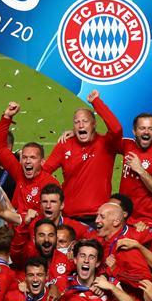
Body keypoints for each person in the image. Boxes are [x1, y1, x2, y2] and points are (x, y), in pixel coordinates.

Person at [43, 91, 123, 223]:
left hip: (99, 218)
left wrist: (96, 102)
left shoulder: (106, 144)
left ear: (94, 124)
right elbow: (44, 172)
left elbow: (116, 129)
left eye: (85, 121)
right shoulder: (65, 144)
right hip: (69, 217)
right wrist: (57, 192)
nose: (81, 125)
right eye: (77, 122)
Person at [0, 102, 61, 217]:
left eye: (33, 157)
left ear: (42, 162)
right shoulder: (19, 172)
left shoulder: (50, 184)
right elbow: (0, 148)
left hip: (36, 228)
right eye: (24, 157)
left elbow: (53, 215)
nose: (27, 161)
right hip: (15, 227)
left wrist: (30, 220)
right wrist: (7, 117)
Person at [119, 112, 152, 227]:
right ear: (134, 131)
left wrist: (140, 170)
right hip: (124, 216)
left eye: (150, 128)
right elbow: (104, 140)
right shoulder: (127, 144)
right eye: (142, 128)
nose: (146, 132)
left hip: (147, 221)